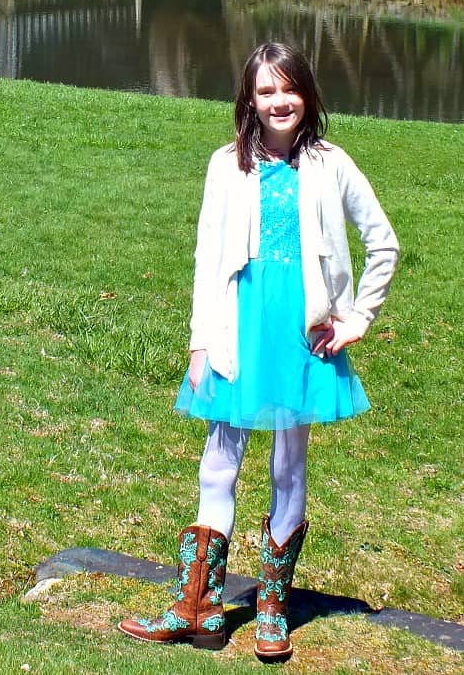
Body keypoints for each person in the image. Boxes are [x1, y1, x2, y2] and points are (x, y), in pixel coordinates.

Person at [118, 42, 399, 661]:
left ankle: (272, 607)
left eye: (288, 88)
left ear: (307, 95)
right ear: (248, 99)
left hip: (300, 334)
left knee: (287, 465)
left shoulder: (332, 164)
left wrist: (356, 319)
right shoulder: (227, 164)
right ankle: (199, 606)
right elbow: (206, 256)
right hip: (234, 327)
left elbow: (384, 244)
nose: (279, 101)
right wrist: (198, 340)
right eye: (265, 91)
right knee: (219, 460)